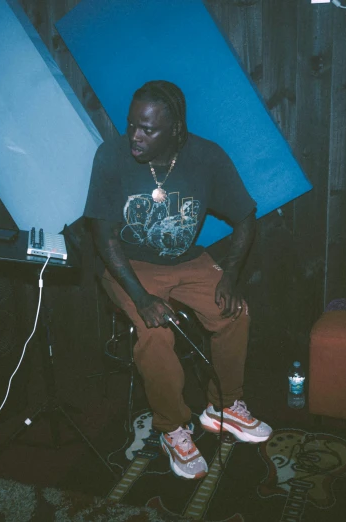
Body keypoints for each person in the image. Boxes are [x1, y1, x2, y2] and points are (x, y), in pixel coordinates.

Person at [83, 80, 272, 480]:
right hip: (129, 266)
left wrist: (231, 277)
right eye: (132, 124)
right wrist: (140, 296)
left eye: (147, 129)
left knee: (234, 313)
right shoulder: (111, 156)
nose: (135, 135)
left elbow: (245, 217)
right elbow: (104, 236)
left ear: (175, 130)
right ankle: (172, 427)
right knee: (155, 332)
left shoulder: (206, 157)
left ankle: (224, 406)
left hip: (188, 260)